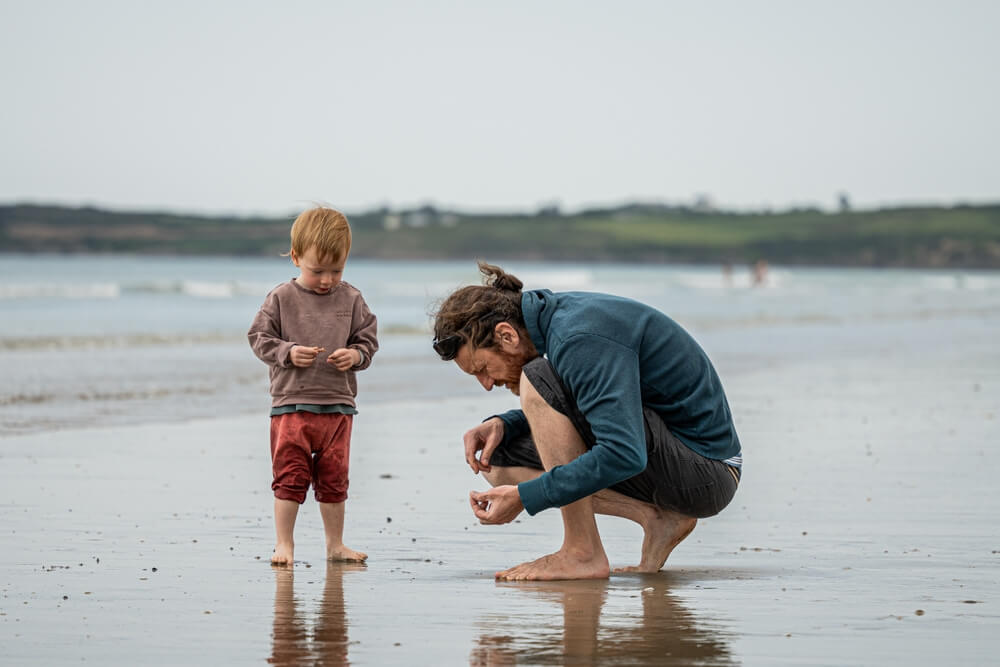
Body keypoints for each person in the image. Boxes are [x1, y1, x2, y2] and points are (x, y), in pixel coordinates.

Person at [432, 262, 742, 581]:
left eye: (482, 368)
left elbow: (623, 452)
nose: (486, 383)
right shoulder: (559, 323)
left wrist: (527, 497)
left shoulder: (578, 336)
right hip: (679, 459)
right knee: (498, 460)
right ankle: (657, 519)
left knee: (534, 379)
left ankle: (582, 552)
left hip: (709, 470)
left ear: (506, 335)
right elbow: (592, 401)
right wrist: (507, 424)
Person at [249, 206, 378, 566]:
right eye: (317, 270)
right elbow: (258, 338)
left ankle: (335, 544)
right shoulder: (281, 298)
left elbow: (368, 341)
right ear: (295, 258)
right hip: (291, 406)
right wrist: (288, 353)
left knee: (335, 480)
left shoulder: (351, 299)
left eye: (336, 270)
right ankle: (284, 544)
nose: (326, 279)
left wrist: (355, 356)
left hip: (338, 406)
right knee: (290, 477)